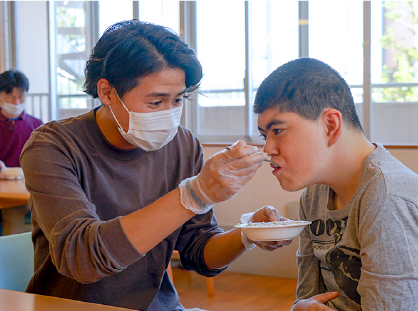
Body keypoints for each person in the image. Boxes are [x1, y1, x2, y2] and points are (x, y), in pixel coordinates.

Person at [20, 20, 289, 311]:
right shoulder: (52, 146)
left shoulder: (183, 145)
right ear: (107, 92)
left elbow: (199, 252)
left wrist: (248, 234)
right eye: (156, 102)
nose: (170, 114)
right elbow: (84, 258)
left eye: (178, 99)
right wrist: (195, 194)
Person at [254, 57, 418, 310]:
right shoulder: (314, 194)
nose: (267, 149)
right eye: (264, 135)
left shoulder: (388, 199)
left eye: (277, 131)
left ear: (330, 125)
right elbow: (307, 299)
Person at [0, 70, 43, 236]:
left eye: (21, 96)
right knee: (11, 211)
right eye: (10, 96)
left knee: (15, 211)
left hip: (27, 192)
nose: (16, 102)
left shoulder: (37, 126)